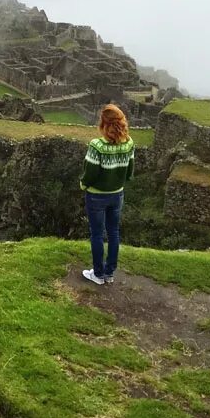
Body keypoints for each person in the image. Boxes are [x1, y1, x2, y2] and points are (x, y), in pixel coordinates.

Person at [80, 104, 135, 285]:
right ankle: (109, 273)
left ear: (104, 123)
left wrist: (83, 184)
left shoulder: (97, 146)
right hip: (117, 195)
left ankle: (97, 274)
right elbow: (129, 172)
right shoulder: (129, 143)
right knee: (113, 233)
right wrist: (118, 182)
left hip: (96, 196)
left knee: (97, 234)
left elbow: (91, 173)